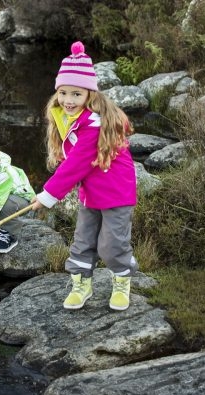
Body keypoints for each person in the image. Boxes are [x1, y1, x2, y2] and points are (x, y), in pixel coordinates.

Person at [31, 40, 139, 311]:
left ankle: (122, 283)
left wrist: (47, 197)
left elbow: (76, 165)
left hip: (116, 194)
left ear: (90, 95)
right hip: (90, 194)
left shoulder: (95, 124)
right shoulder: (67, 118)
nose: (68, 100)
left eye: (76, 94)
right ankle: (82, 286)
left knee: (112, 245)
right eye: (64, 93)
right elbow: (70, 161)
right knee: (82, 241)